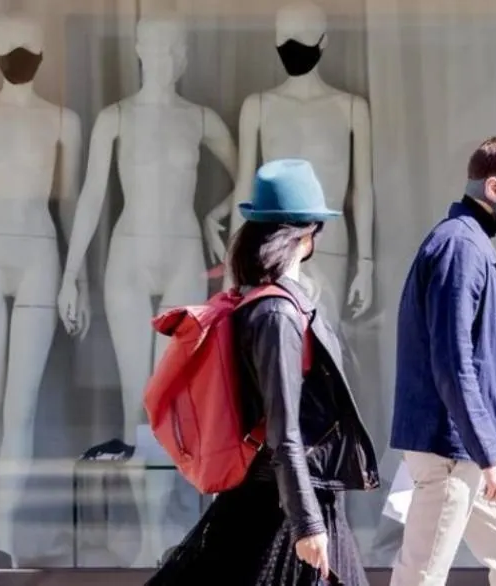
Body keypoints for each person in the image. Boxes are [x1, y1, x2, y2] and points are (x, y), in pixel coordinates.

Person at [148, 158, 380, 586]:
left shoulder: (268, 304)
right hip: (280, 508)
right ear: (307, 238)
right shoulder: (276, 313)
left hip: (289, 500)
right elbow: (284, 430)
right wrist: (307, 523)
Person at [389, 136, 496, 586]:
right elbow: (454, 362)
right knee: (422, 577)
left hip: (470, 451)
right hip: (454, 452)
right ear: (494, 189)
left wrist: (490, 454)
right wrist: (490, 454)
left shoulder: (469, 245)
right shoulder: (460, 248)